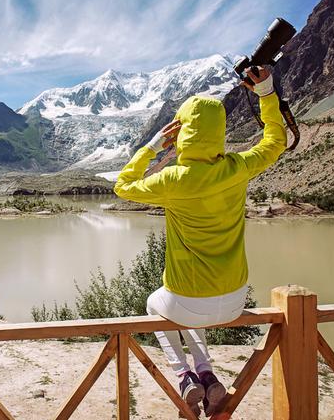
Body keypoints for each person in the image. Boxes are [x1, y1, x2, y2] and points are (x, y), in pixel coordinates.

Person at [114, 66, 286, 417]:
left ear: (182, 134)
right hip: (236, 298)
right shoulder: (237, 168)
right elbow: (275, 142)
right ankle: (207, 373)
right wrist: (267, 94)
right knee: (190, 308)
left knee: (156, 304)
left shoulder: (172, 179)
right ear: (219, 132)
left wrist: (150, 148)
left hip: (188, 300)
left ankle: (185, 376)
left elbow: (123, 185)